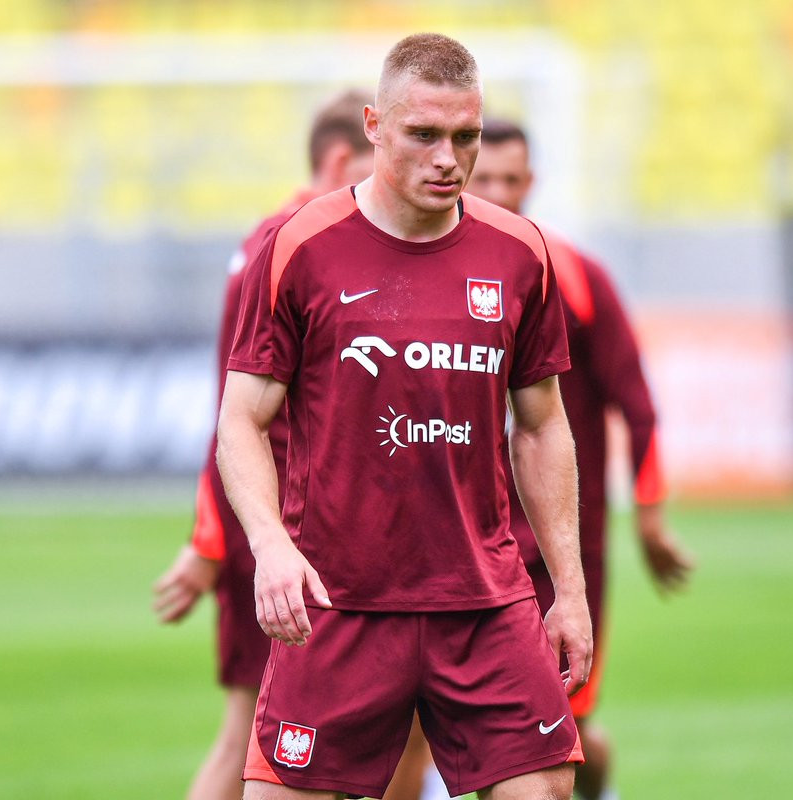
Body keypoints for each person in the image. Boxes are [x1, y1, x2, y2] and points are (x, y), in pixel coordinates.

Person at [216, 33, 592, 800]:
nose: (448, 159)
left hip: (484, 603)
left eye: (465, 136)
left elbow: (541, 425)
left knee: (547, 788)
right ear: (374, 127)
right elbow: (240, 421)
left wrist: (570, 588)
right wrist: (271, 544)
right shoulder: (300, 247)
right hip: (338, 601)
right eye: (423, 134)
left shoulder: (519, 253)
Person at [152, 88, 375, 800]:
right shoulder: (293, 244)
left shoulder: (277, 239)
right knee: (255, 735)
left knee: (344, 735)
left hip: (305, 527)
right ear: (339, 160)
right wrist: (212, 542)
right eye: (376, 165)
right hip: (278, 531)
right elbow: (235, 415)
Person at [464, 118, 693, 800]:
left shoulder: (577, 278)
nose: (498, 193)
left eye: (511, 179)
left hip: (561, 543)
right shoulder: (430, 277)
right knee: (455, 722)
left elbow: (638, 405)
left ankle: (598, 785)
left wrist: (649, 517)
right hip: (465, 539)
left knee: (564, 727)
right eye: (485, 179)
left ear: (531, 182)